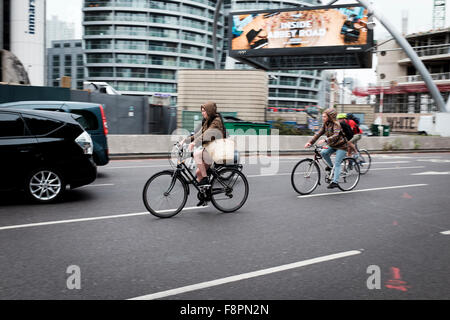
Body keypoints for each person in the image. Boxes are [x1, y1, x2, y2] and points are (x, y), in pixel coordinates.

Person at [185, 101, 225, 204]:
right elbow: (199, 134)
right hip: (210, 148)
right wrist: (185, 141)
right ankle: (204, 197)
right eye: (202, 111)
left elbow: (207, 134)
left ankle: (206, 180)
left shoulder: (216, 121)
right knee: (198, 173)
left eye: (204, 111)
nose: (202, 113)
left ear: (209, 111)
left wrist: (194, 143)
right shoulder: (207, 121)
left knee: (197, 154)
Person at [304, 108, 348, 189]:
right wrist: (310, 142)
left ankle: (335, 182)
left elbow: (336, 135)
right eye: (323, 116)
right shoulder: (325, 124)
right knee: (323, 152)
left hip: (342, 146)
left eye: (324, 116)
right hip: (332, 145)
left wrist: (325, 140)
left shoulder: (336, 124)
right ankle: (331, 168)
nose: (323, 118)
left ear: (330, 117)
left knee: (337, 163)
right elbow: (318, 134)